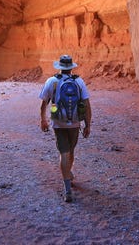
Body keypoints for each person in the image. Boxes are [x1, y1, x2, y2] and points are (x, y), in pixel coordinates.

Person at [39, 54, 92, 202]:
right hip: (75, 122)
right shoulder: (79, 82)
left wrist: (43, 120)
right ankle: (69, 173)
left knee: (64, 153)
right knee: (71, 150)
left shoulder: (52, 81)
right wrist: (88, 124)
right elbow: (87, 105)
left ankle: (67, 188)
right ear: (71, 68)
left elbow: (44, 104)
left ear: (60, 67)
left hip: (58, 122)